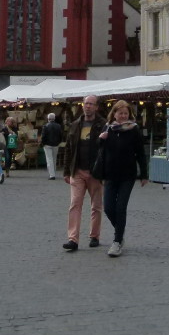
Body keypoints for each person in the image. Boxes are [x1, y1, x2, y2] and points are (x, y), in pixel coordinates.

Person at [96, 100, 148, 258]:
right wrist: (101, 139)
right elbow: (99, 150)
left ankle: (117, 241)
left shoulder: (134, 130)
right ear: (114, 114)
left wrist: (144, 174)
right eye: (120, 113)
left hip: (127, 175)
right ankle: (120, 229)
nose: (123, 116)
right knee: (108, 208)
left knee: (121, 208)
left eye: (126, 113)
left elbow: (140, 152)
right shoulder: (108, 128)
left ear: (129, 115)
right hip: (110, 174)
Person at [62, 96, 104, 251]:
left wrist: (105, 171)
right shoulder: (75, 125)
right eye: (86, 103)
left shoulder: (103, 125)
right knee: (75, 205)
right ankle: (73, 239)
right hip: (77, 170)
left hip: (95, 172)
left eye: (91, 104)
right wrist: (67, 171)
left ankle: (94, 236)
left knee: (96, 206)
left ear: (96, 107)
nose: (88, 106)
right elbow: (68, 148)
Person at [40, 113, 63, 180]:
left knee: (49, 159)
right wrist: (58, 142)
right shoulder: (58, 126)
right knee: (54, 158)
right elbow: (61, 136)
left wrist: (43, 143)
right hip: (56, 144)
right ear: (54, 118)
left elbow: (43, 136)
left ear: (48, 119)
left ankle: (52, 175)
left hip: (47, 145)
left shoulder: (45, 126)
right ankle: (54, 172)